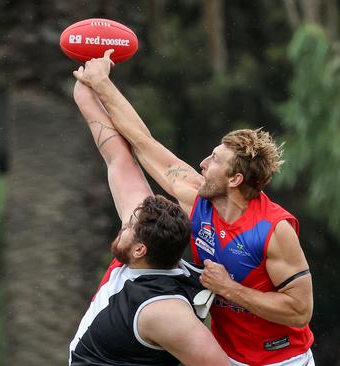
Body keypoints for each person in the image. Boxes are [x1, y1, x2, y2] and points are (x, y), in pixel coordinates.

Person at [73, 50, 315, 366]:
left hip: (281, 361)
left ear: (235, 178)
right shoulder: (197, 199)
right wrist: (100, 83)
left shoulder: (273, 230)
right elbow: (143, 143)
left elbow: (300, 311)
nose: (202, 163)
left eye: (214, 160)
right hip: (225, 356)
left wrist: (229, 289)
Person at [68, 80, 229, 366]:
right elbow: (118, 158)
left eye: (128, 226)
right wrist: (85, 91)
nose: (124, 224)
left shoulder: (162, 309)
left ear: (140, 249)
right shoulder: (147, 250)